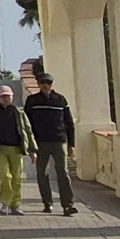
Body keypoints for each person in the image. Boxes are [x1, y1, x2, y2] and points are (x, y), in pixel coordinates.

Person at [22, 70, 78, 215]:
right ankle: (47, 202)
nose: (46, 85)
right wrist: (30, 145)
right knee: (42, 173)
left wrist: (71, 144)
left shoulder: (60, 100)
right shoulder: (32, 101)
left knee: (63, 172)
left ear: (52, 84)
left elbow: (69, 123)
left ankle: (68, 205)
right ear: (38, 84)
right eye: (43, 83)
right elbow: (26, 124)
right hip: (40, 142)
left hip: (59, 141)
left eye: (48, 83)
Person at [0, 85, 30, 215]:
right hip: (0, 149)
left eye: (8, 96)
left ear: (12, 97)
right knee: (5, 176)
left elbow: (27, 130)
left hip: (17, 149)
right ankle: (5, 204)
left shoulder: (19, 112)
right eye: (3, 96)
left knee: (17, 177)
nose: (6, 99)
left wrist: (33, 150)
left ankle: (15, 205)